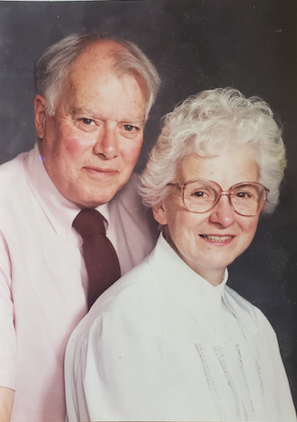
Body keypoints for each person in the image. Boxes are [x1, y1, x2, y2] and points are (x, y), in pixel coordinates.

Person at [65, 88, 296, 421]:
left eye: (243, 194)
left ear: (261, 203)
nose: (224, 217)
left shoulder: (254, 326)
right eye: (201, 192)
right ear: (160, 203)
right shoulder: (124, 325)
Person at [0, 33, 160, 422]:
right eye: (88, 121)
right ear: (42, 117)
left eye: (129, 128)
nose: (109, 149)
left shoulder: (153, 207)